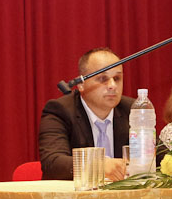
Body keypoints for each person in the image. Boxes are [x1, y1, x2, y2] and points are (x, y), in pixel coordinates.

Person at [39, 48, 134, 182]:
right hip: (75, 194)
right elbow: (53, 163)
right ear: (81, 84)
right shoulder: (60, 111)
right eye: (103, 78)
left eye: (117, 78)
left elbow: (156, 156)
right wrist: (99, 165)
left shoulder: (132, 110)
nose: (112, 85)